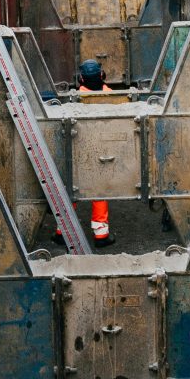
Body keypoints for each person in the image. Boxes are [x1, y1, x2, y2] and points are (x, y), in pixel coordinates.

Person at [78, 57, 111, 245]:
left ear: (81, 79)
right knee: (99, 190)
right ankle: (101, 235)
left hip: (80, 150)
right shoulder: (111, 95)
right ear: (102, 75)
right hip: (103, 151)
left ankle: (61, 232)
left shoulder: (76, 98)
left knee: (70, 188)